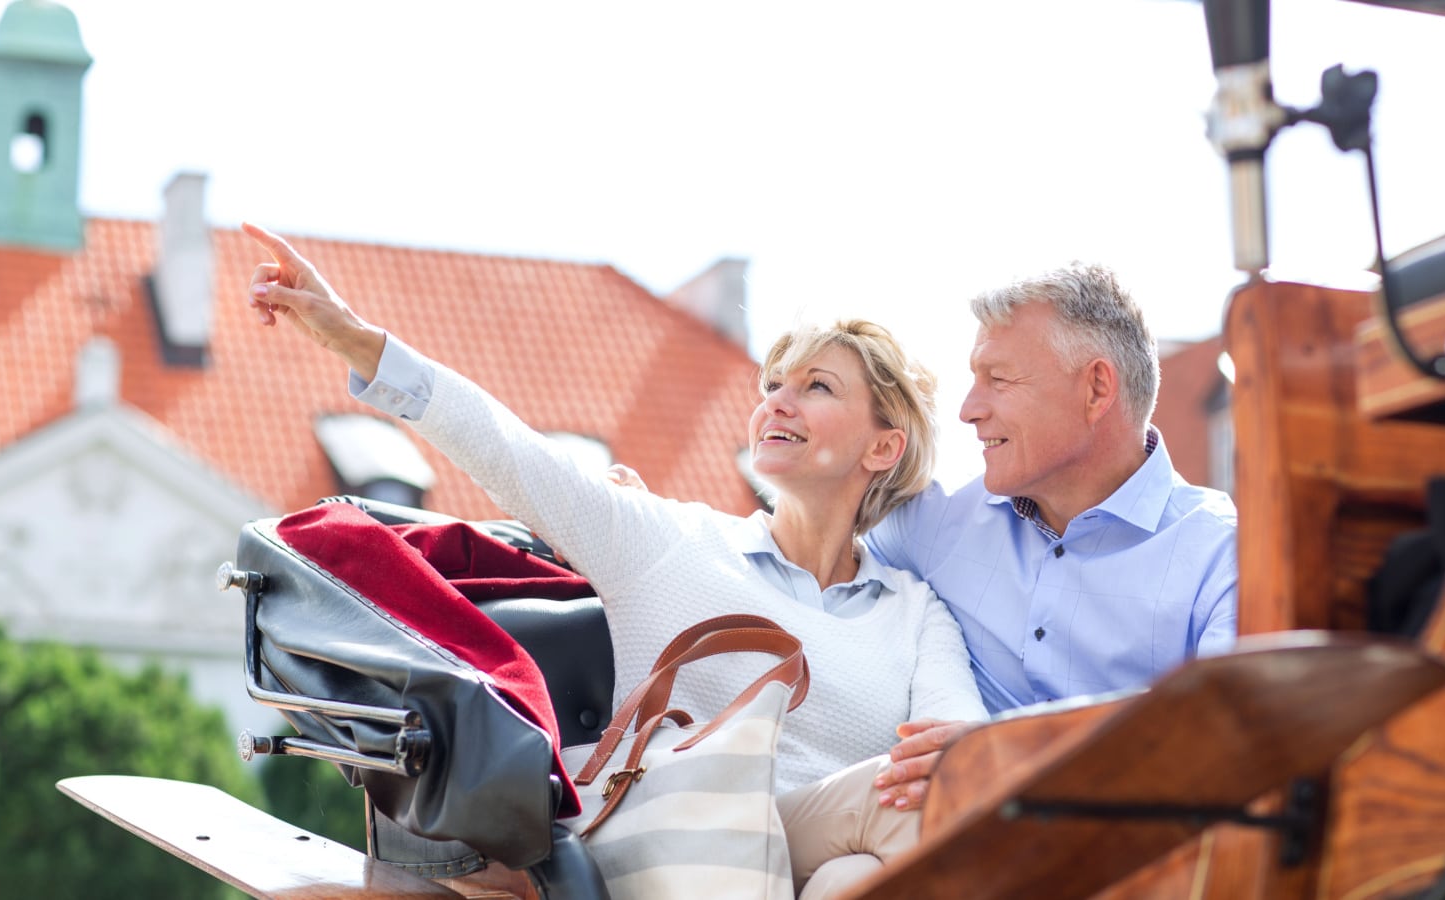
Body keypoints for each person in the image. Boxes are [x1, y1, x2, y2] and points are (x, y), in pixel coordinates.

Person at [240, 222, 986, 898]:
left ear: (883, 447)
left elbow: (961, 745)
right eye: (772, 387)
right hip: (677, 852)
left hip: (807, 866)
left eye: (816, 387)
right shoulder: (670, 540)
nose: (776, 404)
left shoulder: (917, 614)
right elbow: (506, 447)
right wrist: (351, 337)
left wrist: (963, 752)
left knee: (855, 876)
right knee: (914, 812)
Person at [867, 261, 1239, 812]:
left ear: (1096, 388)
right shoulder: (931, 524)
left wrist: (1008, 751)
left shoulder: (1222, 554)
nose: (970, 410)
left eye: (999, 379)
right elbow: (808, 564)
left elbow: (1228, 736)